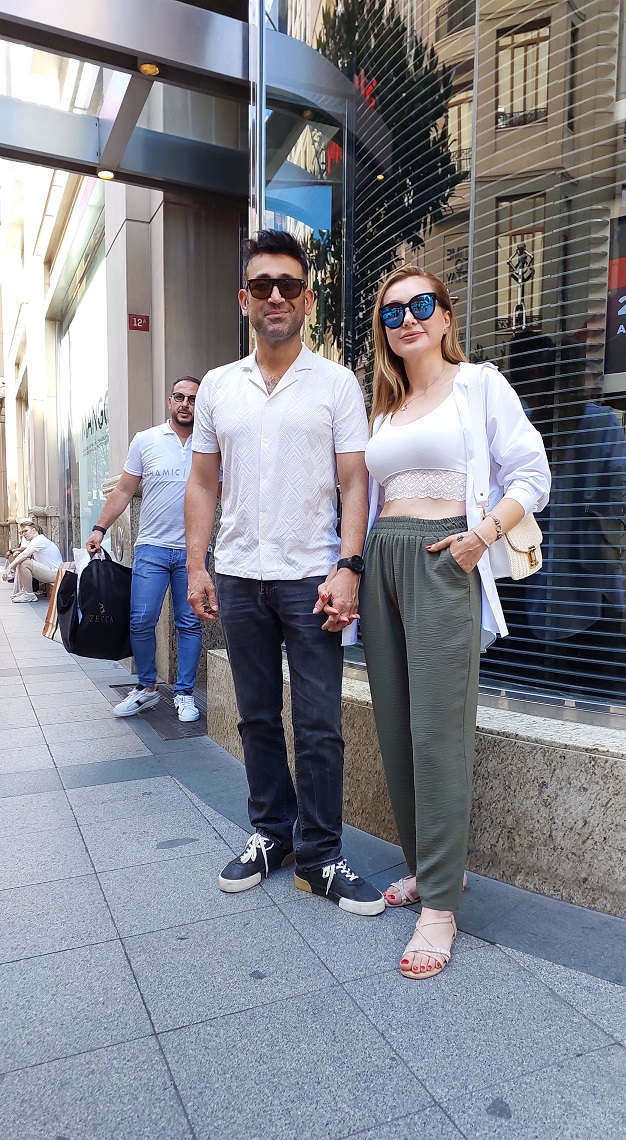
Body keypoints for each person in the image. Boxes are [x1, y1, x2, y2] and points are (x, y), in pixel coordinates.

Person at [184, 228, 384, 916]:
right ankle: (272, 834)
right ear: (244, 298)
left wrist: (349, 565)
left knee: (320, 722)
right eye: (262, 285)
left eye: (289, 286)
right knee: (256, 716)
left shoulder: (336, 384)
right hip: (240, 574)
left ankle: (321, 855)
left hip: (311, 578)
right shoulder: (218, 387)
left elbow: (354, 483)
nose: (276, 296)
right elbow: (202, 482)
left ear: (307, 299)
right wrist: (197, 566)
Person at [359, 266, 550, 977]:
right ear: (383, 331)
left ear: (445, 316)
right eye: (392, 312)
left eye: (421, 304)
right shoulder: (386, 409)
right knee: (395, 726)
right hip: (383, 559)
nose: (407, 318)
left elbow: (533, 474)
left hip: (443, 559)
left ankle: (439, 906)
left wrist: (482, 537)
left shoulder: (479, 385)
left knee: (439, 732)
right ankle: (431, 868)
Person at [85, 376, 203, 722]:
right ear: (170, 401)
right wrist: (99, 528)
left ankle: (185, 693)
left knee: (189, 623)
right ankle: (147, 688)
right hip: (152, 547)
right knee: (140, 620)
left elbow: (224, 491)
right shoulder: (146, 440)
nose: (185, 404)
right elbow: (123, 490)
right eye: (179, 397)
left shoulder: (210, 442)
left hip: (194, 551)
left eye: (193, 399)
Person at [10, 522, 63, 602]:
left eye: (26, 531)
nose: (24, 534)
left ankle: (29, 595)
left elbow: (25, 555)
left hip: (55, 573)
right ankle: (26, 591)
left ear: (34, 530)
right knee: (23, 561)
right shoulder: (36, 540)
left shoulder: (39, 540)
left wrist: (9, 568)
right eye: (22, 532)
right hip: (52, 572)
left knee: (24, 564)